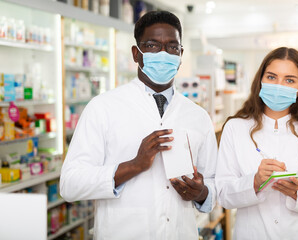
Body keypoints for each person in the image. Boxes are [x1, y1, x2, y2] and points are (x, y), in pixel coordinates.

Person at [60, 11, 217, 239]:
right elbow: (70, 184)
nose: (164, 53)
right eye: (153, 45)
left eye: (172, 47)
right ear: (136, 53)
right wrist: (133, 166)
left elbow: (214, 186)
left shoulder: (198, 116)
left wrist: (201, 192)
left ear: (181, 55)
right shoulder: (103, 107)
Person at [215, 47, 298, 239]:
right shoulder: (235, 128)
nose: (279, 85)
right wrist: (254, 182)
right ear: (261, 81)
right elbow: (223, 194)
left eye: (289, 80)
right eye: (272, 77)